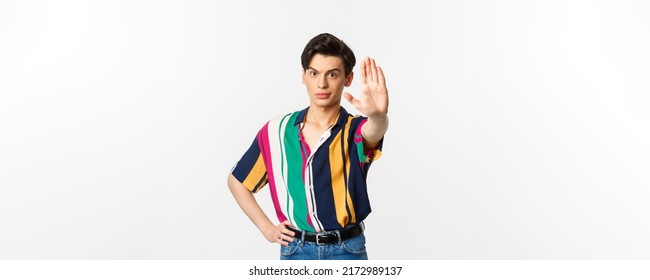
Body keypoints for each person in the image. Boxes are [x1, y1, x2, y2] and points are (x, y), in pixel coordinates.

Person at [227, 33, 389, 260]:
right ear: (303, 75)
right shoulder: (276, 131)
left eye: (332, 74)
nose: (322, 84)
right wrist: (267, 229)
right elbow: (237, 181)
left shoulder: (355, 130)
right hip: (296, 250)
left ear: (348, 78)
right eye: (314, 73)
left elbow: (374, 130)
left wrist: (379, 116)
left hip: (347, 250)